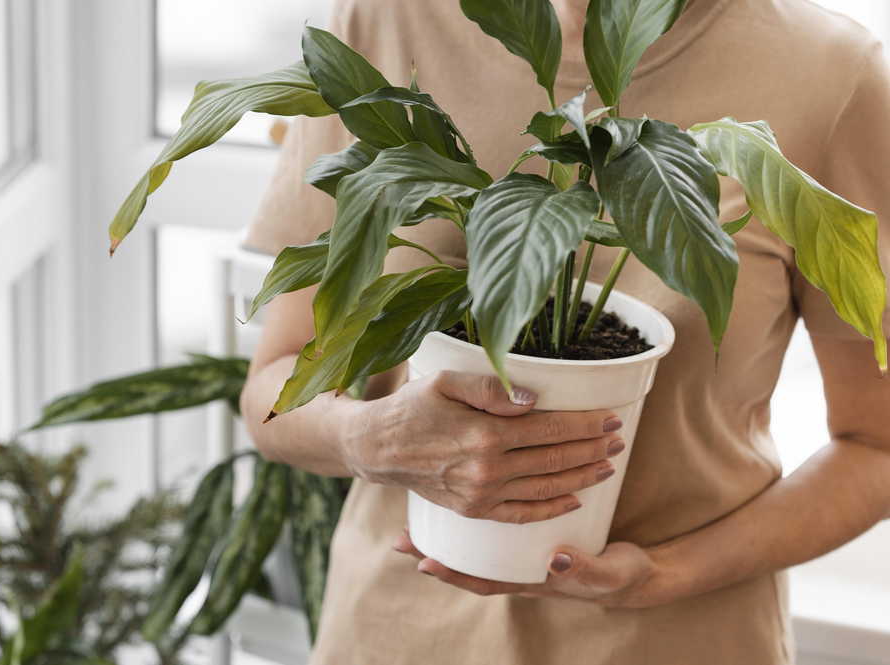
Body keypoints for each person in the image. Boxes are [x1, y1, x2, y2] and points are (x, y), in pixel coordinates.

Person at [240, 0, 890, 662]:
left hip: (673, 639)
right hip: (399, 630)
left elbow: (877, 444)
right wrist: (373, 436)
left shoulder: (829, 73)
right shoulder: (385, 20)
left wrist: (666, 573)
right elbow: (274, 393)